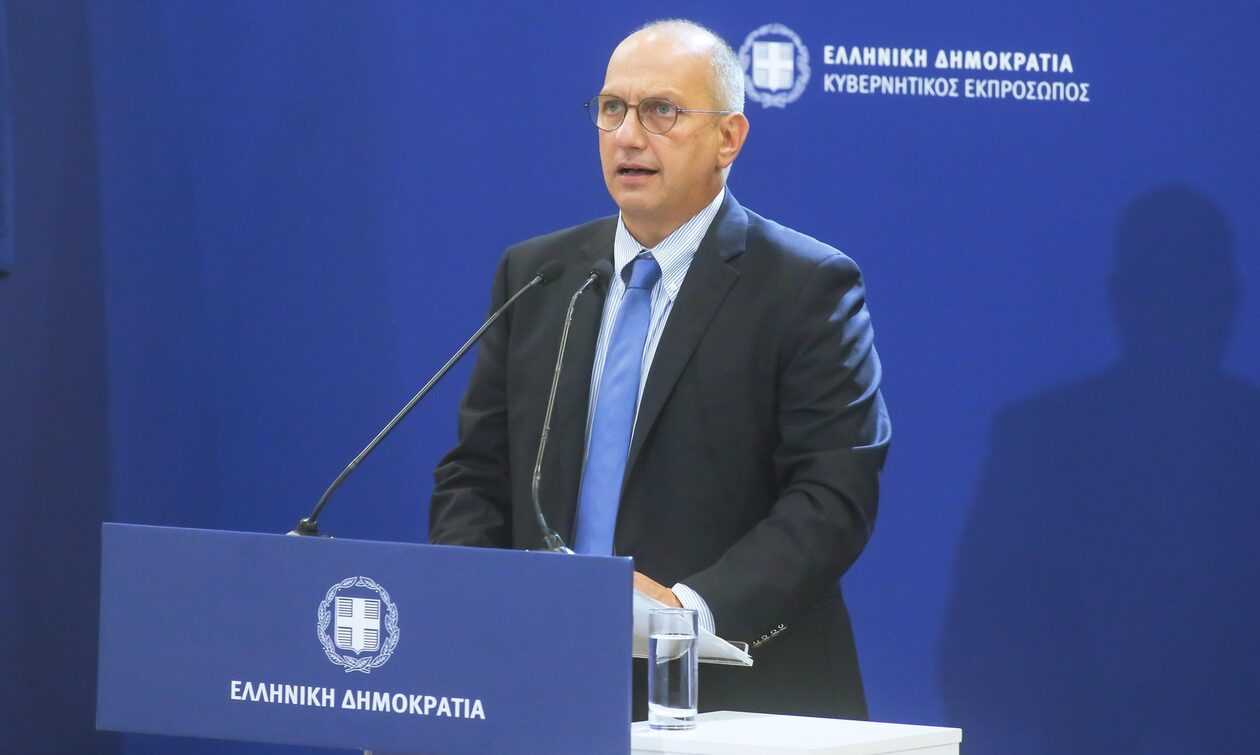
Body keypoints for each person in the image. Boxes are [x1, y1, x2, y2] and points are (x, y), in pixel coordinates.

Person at [429, 19, 890, 720]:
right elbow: (474, 474)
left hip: (736, 693)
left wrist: (684, 612)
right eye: (612, 108)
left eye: (661, 111)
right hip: (544, 680)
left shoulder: (805, 287)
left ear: (728, 137)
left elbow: (832, 497)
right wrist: (483, 598)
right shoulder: (538, 275)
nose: (628, 136)